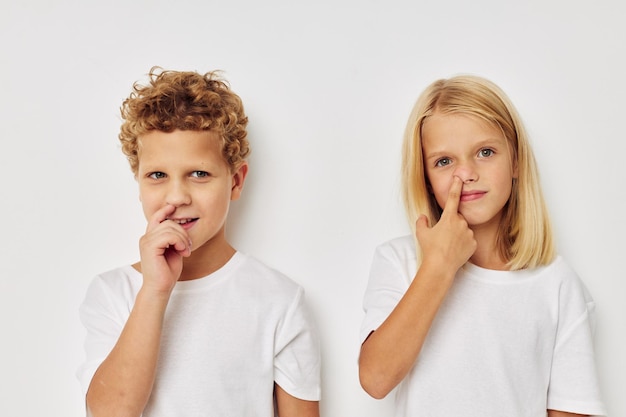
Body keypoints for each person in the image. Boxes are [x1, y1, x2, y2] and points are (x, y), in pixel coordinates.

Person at [77, 67, 321, 417]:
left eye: (199, 174)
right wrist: (155, 291)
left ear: (235, 182)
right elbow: (108, 413)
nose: (176, 196)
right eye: (158, 175)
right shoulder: (114, 292)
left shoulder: (278, 300)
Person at [358, 75, 606, 416]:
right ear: (427, 180)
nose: (467, 173)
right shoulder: (400, 261)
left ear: (516, 160)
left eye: (485, 152)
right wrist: (439, 266)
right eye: (444, 161)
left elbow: (570, 410)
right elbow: (375, 378)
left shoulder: (557, 283)